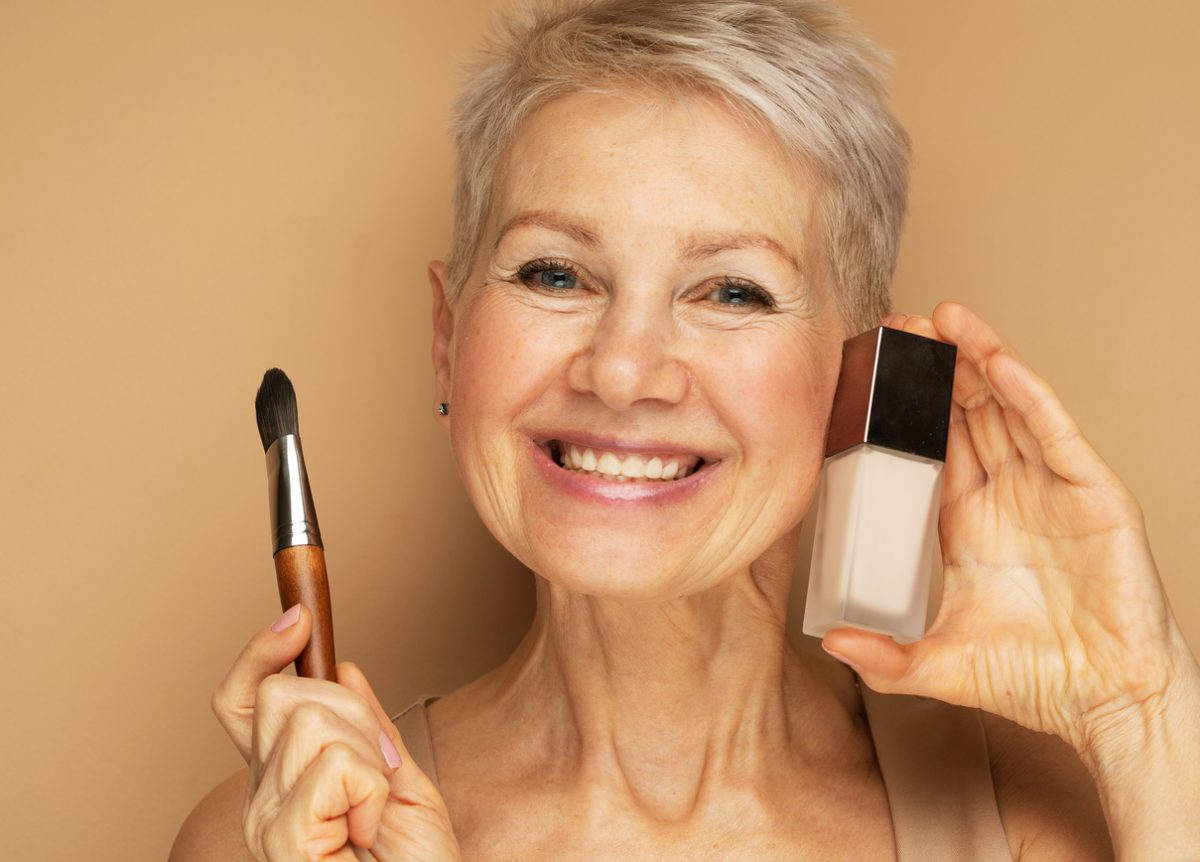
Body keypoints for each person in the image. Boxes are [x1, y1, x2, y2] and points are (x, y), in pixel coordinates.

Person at [171, 0, 1200, 859]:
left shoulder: (1046, 814)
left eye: (733, 292)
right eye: (554, 273)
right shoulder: (264, 840)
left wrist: (1143, 707)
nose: (622, 369)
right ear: (448, 336)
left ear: (860, 382)